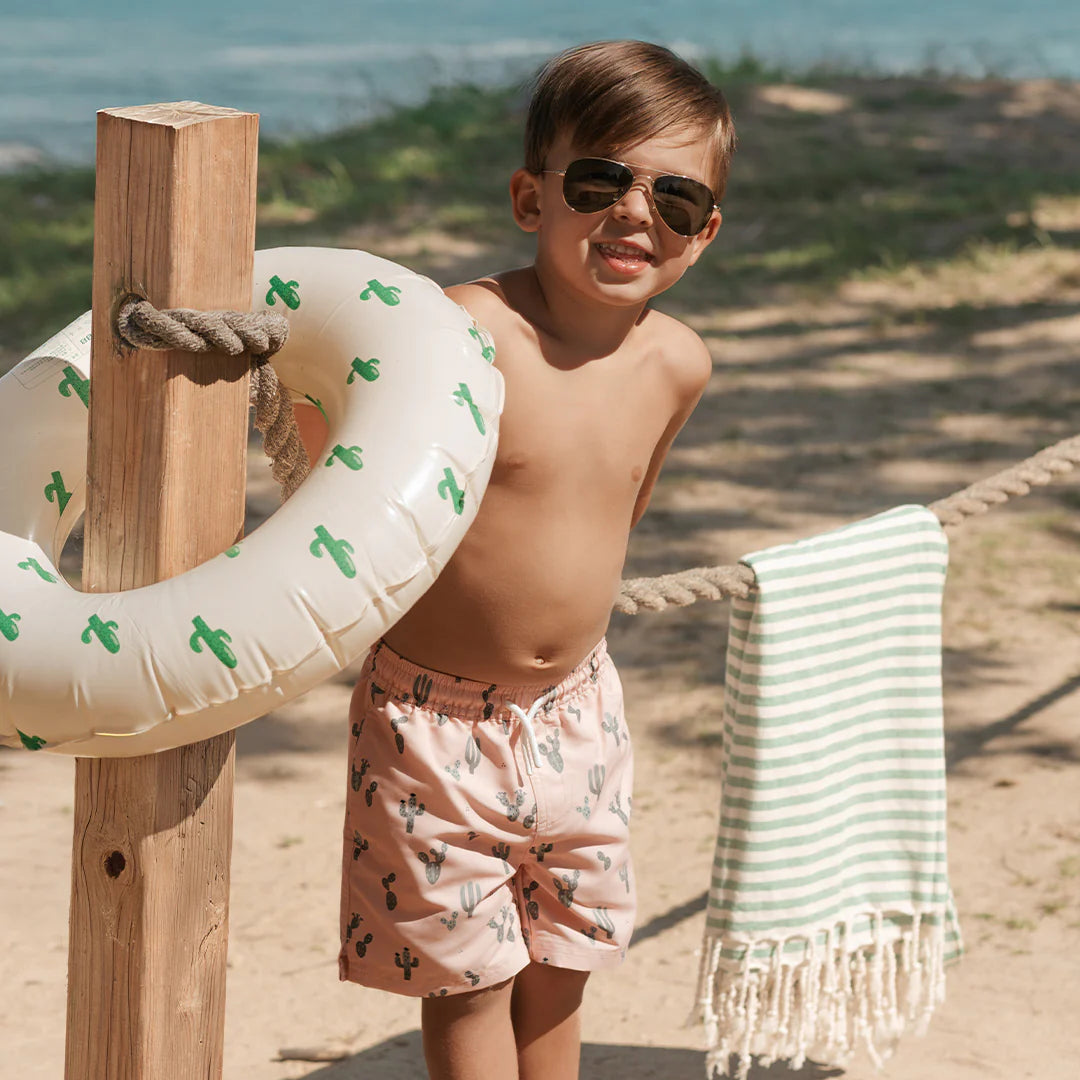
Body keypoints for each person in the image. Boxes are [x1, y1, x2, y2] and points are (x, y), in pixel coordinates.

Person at [299, 39, 735, 1080]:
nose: (634, 213)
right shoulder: (466, 332)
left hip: (581, 714)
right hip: (434, 723)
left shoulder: (679, 362)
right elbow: (343, 464)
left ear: (704, 231)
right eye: (600, 182)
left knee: (562, 964)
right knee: (467, 983)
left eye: (675, 198)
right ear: (531, 197)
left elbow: (621, 507)